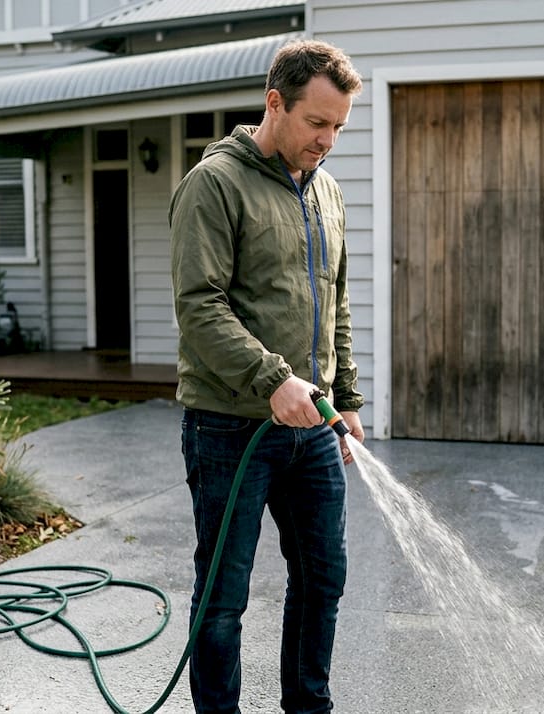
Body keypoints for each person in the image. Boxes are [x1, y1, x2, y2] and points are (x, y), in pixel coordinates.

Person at [168, 39, 366, 714]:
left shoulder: (327, 191)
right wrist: (273, 379)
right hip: (230, 427)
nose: (328, 140)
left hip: (311, 428)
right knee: (224, 597)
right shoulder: (215, 184)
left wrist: (345, 398)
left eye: (339, 126)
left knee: (322, 581)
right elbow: (200, 308)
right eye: (318, 123)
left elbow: (332, 299)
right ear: (274, 102)